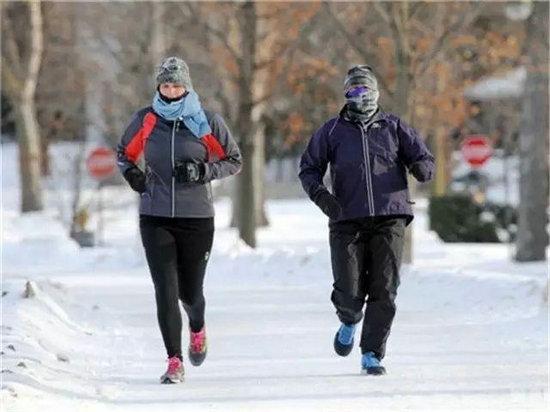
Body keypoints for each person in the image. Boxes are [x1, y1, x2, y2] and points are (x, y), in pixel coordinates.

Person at [298, 65, 434, 375]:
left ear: (375, 92)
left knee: (384, 289)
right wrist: (323, 197)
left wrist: (421, 167)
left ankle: (372, 352)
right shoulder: (331, 131)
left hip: (390, 216)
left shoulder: (394, 127)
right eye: (351, 91)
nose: (358, 97)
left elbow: (423, 157)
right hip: (346, 218)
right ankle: (348, 318)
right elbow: (308, 169)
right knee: (349, 291)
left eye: (363, 90)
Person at [117, 57, 242, 384]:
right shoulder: (145, 120)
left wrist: (202, 171)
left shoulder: (207, 121)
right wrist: (133, 175)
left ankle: (197, 326)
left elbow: (233, 160)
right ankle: (174, 361)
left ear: (187, 86)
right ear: (158, 85)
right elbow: (124, 154)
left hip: (196, 218)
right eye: (166, 84)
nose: (171, 91)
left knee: (190, 293)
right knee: (165, 289)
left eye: (177, 85)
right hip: (155, 216)